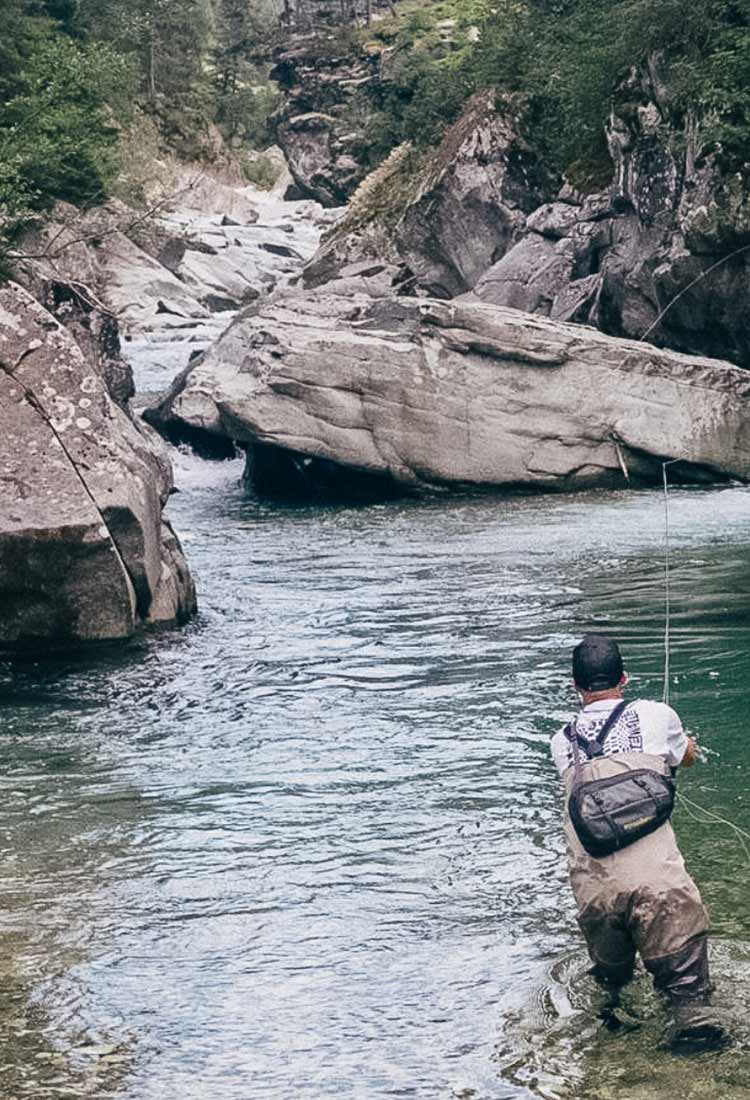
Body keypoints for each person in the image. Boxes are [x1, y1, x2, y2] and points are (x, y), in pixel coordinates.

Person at [550, 633, 727, 1047]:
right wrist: (685, 748)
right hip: (661, 886)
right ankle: (691, 1039)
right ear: (624, 678)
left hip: (596, 893)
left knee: (613, 985)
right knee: (688, 994)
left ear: (575, 686)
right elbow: (686, 755)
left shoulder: (561, 742)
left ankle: (615, 1039)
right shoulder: (655, 713)